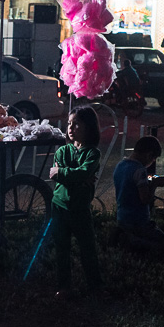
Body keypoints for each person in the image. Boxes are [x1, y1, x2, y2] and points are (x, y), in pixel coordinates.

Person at [49, 105, 103, 299]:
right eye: (69, 124)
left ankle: (95, 285)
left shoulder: (92, 154)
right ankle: (64, 286)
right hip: (60, 207)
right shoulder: (62, 151)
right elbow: (70, 175)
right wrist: (77, 177)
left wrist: (66, 174)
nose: (71, 128)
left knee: (87, 247)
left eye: (77, 124)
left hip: (80, 209)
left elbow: (80, 172)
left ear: (88, 127)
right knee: (61, 248)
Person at [113, 136, 164, 252]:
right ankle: (132, 241)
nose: (152, 162)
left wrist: (147, 182)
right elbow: (145, 199)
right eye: (153, 159)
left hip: (122, 219)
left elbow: (129, 185)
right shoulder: (140, 170)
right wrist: (154, 184)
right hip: (138, 221)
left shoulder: (120, 165)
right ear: (149, 155)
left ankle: (126, 237)